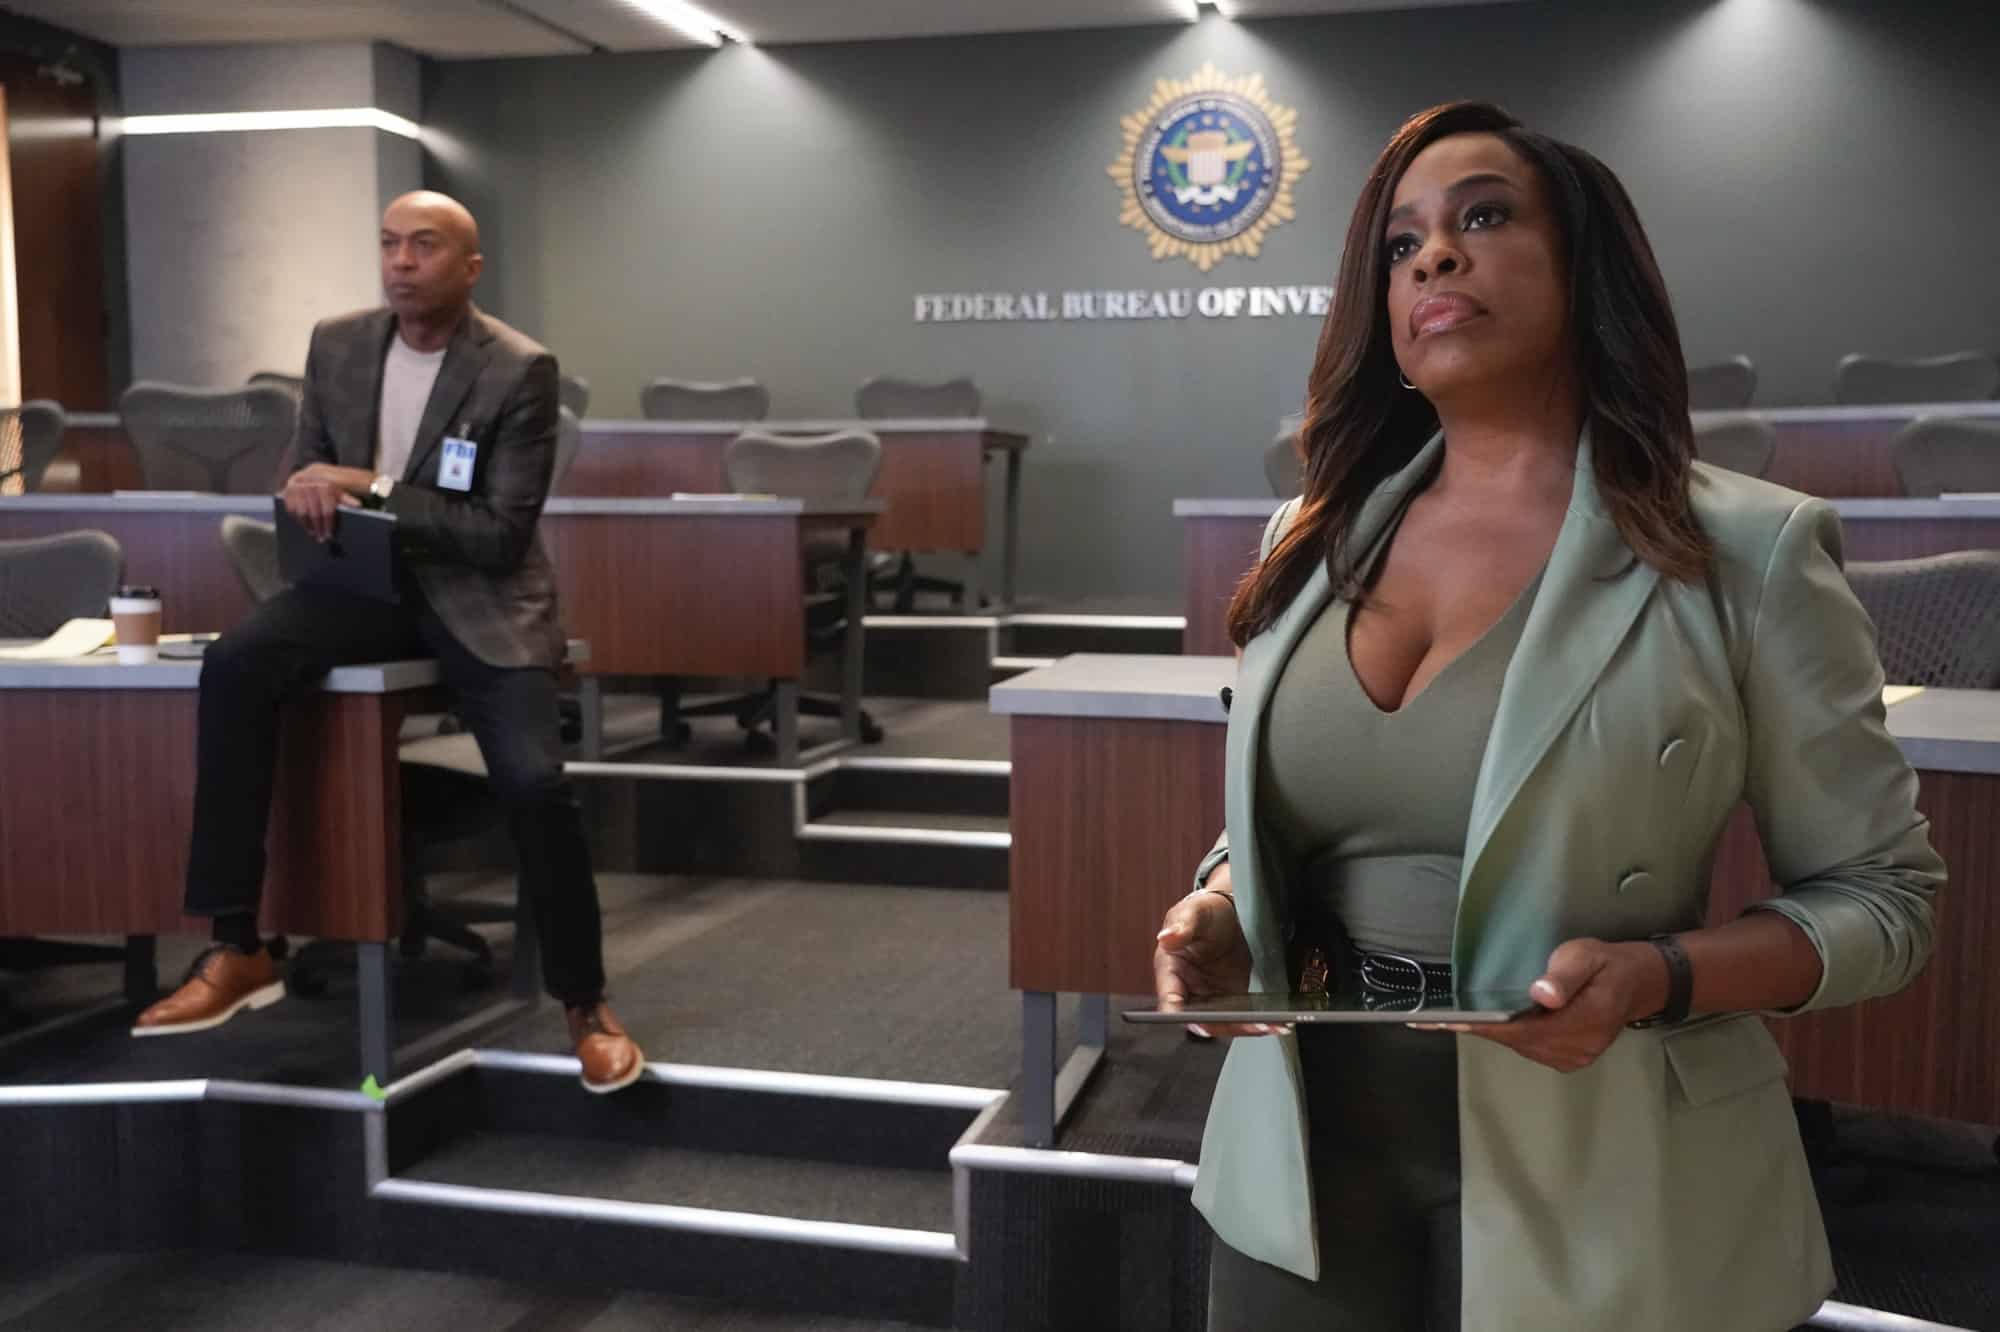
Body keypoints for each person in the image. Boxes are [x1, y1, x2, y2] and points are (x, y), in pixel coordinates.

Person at [1152, 102, 1943, 1331]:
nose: (1433, 256)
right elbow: (1279, 823)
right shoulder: (1303, 539)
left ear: (1586, 270)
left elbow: (1882, 901)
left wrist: (1658, 976)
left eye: (1481, 217)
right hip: (1299, 1155)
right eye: (1400, 243)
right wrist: (1215, 906)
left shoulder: (1746, 550)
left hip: (1606, 1159)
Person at [133, 191, 646, 1095]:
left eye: (425, 245)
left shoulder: (518, 369)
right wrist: (308, 490)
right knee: (236, 662)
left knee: (535, 781)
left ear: (470, 268)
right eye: (389, 243)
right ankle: (239, 943)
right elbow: (306, 468)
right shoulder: (338, 343)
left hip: (482, 597)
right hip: (359, 584)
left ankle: (585, 1000)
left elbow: (497, 535)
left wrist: (366, 484)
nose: (401, 261)